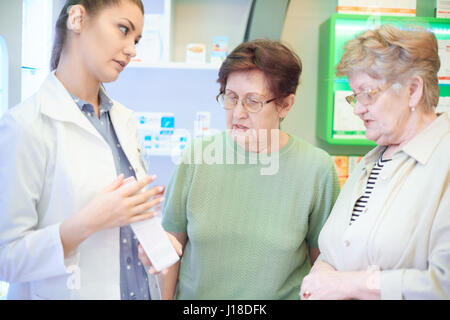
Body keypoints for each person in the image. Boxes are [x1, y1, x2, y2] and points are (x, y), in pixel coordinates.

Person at [139, 39, 341, 299]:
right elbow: (170, 255)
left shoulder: (317, 169)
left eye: (253, 101)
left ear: (285, 105)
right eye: (231, 98)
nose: (238, 113)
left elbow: (322, 268)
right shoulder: (197, 157)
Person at [0, 0, 165, 299]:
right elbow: (6, 258)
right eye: (124, 30)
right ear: (77, 18)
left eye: (136, 39)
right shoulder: (24, 126)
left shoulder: (124, 122)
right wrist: (89, 221)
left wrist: (154, 245)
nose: (132, 49)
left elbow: (123, 233)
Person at [300, 25, 449, 300]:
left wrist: (346, 285)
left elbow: (444, 283)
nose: (357, 108)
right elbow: (334, 249)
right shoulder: (373, 160)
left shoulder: (444, 161)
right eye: (355, 96)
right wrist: (321, 274)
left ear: (413, 90)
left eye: (368, 93)